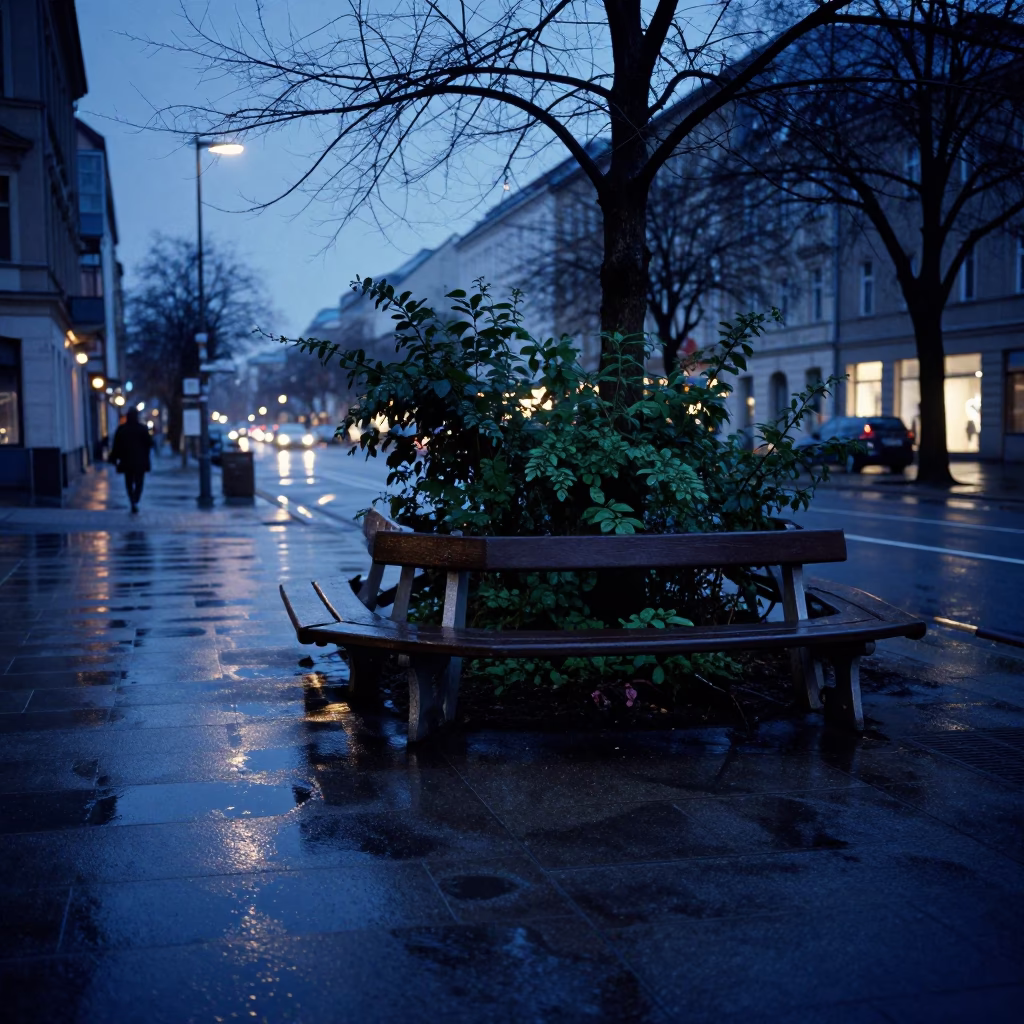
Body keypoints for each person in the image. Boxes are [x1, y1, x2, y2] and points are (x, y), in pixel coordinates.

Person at [109, 408, 154, 513]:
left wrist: (114, 458)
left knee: (128, 482)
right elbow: (150, 443)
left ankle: (132, 500)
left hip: (126, 461)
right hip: (140, 462)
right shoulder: (142, 429)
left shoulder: (122, 429)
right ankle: (136, 499)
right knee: (139, 482)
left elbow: (116, 446)